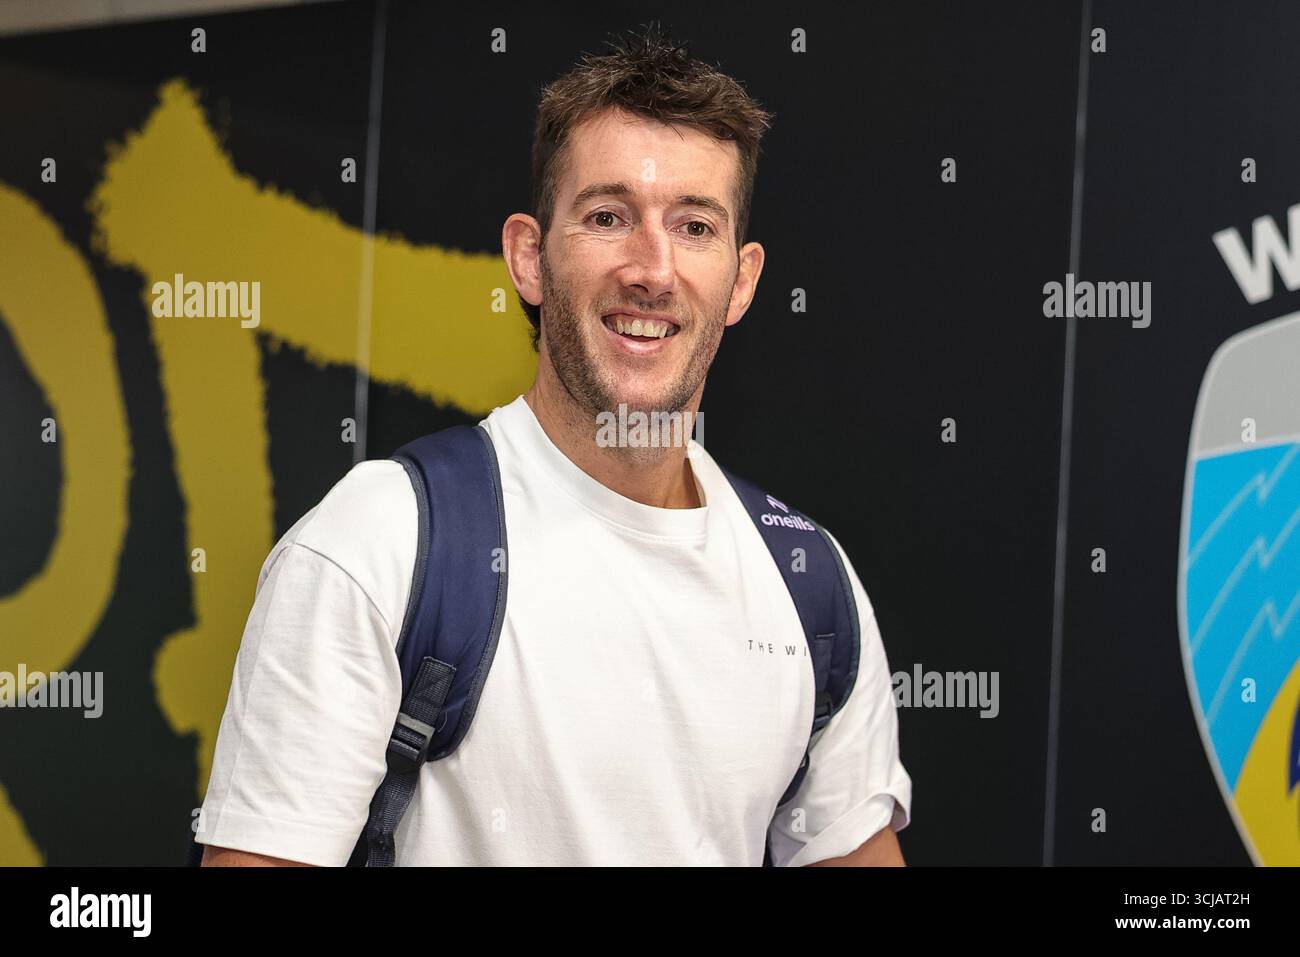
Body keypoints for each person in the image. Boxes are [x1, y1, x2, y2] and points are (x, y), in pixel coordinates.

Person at [197, 21, 911, 866]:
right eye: (608, 215)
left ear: (742, 279)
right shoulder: (379, 543)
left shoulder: (808, 582)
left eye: (694, 226)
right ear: (529, 259)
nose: (652, 268)